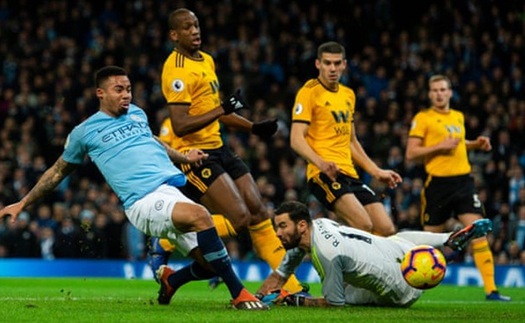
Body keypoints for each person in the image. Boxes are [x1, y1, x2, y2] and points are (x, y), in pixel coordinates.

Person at [0, 66, 267, 310]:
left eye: (128, 89)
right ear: (100, 93)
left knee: (211, 264)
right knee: (201, 216)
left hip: (171, 191)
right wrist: (23, 203)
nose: (126, 95)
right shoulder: (84, 132)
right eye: (119, 90)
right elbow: (57, 171)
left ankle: (173, 279)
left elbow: (154, 142)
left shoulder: (137, 114)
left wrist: (185, 158)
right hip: (142, 201)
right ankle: (240, 295)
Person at [149, 8, 305, 294]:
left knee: (259, 213)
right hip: (193, 157)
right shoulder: (176, 69)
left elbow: (217, 112)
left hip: (219, 148)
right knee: (241, 217)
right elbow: (181, 125)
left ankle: (290, 288)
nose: (195, 31)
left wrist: (253, 128)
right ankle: (168, 240)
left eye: (196, 25)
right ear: (174, 35)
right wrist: (223, 108)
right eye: (187, 27)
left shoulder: (206, 60)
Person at [256, 201, 493, 307]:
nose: (277, 233)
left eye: (282, 226)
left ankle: (449, 254)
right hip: (397, 249)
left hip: (401, 291)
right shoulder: (320, 223)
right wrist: (257, 297)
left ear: (301, 227)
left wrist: (293, 300)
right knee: (397, 239)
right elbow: (281, 272)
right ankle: (446, 240)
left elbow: (332, 304)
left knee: (346, 295)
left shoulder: (327, 255)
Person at [405, 74, 510, 301]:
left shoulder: (458, 116)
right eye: (435, 90)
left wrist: (475, 144)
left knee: (479, 231)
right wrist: (439, 146)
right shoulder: (423, 118)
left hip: (463, 182)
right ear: (430, 94)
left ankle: (492, 290)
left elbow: (458, 145)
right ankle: (410, 287)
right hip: (437, 185)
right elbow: (411, 153)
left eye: (443, 89)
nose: (439, 94)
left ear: (450, 92)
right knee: (429, 241)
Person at [290, 41, 401, 236]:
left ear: (344, 65)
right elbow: (296, 139)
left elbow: (351, 141)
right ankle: (330, 251)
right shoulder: (308, 92)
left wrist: (376, 172)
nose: (332, 68)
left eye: (336, 63)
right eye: (327, 63)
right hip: (322, 174)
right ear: (318, 64)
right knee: (363, 224)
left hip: (349, 174)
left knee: (386, 229)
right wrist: (321, 163)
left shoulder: (348, 95)